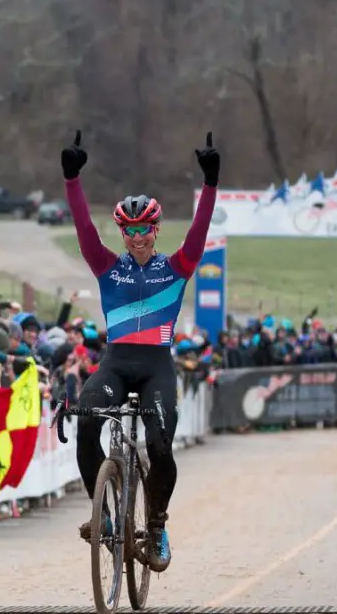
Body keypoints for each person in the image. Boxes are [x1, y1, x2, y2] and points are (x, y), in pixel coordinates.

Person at [62, 128, 220, 573]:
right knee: (86, 423)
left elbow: (199, 231)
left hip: (156, 368)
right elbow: (83, 229)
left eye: (144, 229)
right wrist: (72, 180)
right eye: (129, 230)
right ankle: (106, 516)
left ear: (155, 229)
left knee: (161, 447)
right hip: (115, 363)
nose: (136, 237)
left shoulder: (177, 267)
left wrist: (210, 185)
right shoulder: (107, 267)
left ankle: (156, 524)